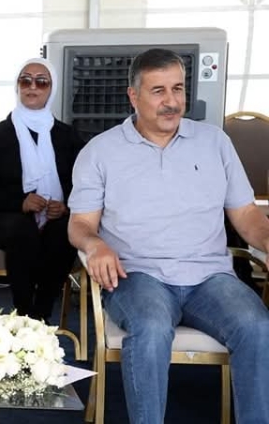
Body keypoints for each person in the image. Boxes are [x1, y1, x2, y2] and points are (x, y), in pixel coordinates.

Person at [68, 48, 269, 424]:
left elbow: (246, 215)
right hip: (137, 275)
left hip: (209, 277)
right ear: (133, 96)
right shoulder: (100, 151)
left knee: (257, 326)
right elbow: (80, 224)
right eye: (158, 91)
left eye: (177, 89)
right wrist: (95, 245)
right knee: (151, 327)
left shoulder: (215, 143)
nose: (172, 101)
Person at [0, 58, 85, 322]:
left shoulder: (68, 136)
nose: (32, 87)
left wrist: (65, 206)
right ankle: (24, 314)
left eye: (41, 82)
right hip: (6, 220)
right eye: (25, 80)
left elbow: (85, 184)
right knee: (22, 230)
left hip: (57, 218)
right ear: (17, 86)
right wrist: (20, 202)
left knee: (62, 232)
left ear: (51, 89)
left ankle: (40, 315)